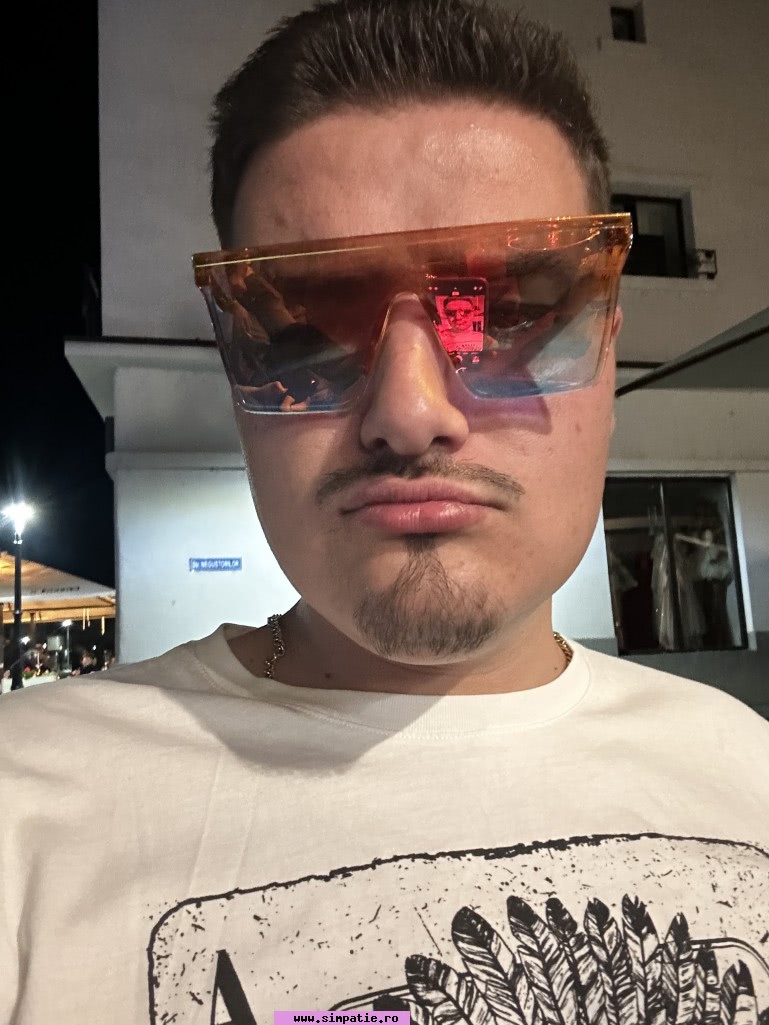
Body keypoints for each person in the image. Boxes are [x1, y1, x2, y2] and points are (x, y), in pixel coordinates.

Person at [1, 1, 767, 1021]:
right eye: (306, 330)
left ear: (608, 353)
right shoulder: (26, 811)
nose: (408, 414)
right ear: (235, 370)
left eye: (502, 315)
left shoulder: (746, 770)